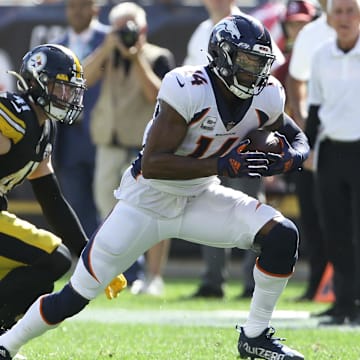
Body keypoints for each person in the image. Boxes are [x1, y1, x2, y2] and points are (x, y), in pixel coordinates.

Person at [0, 14, 309, 360]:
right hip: (145, 200)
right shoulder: (188, 86)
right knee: (76, 295)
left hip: (200, 194)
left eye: (260, 63)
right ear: (222, 56)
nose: (254, 72)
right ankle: (6, 345)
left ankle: (255, 337)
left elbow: (294, 135)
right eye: (247, 61)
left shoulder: (267, 94)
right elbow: (154, 164)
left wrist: (292, 158)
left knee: (282, 234)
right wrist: (222, 164)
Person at [0, 43, 126, 338]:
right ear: (35, 82)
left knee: (42, 276)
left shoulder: (43, 130)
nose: (67, 97)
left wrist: (89, 255)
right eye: (60, 88)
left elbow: (52, 199)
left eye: (71, 90)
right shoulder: (15, 115)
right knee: (53, 257)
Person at [183, 0, 283, 299]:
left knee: (251, 205)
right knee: (210, 205)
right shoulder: (202, 30)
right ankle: (213, 280)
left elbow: (269, 79)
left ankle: (254, 281)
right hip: (210, 133)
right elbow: (191, 80)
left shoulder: (253, 28)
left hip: (246, 133)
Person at [84, 2, 175, 293]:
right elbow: (81, 81)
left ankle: (154, 276)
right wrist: (106, 48)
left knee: (153, 212)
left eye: (129, 29)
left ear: (143, 29)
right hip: (109, 143)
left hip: (145, 148)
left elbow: (158, 96)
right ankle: (114, 275)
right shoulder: (106, 55)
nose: (124, 35)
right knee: (107, 212)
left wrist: (136, 58)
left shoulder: (158, 56)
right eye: (119, 29)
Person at [305, 0, 360, 325]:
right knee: (335, 230)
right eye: (337, 11)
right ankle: (343, 303)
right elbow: (314, 110)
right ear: (328, 17)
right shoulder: (320, 56)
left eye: (350, 11)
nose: (344, 18)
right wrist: (304, 150)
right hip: (331, 153)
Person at [287, 0, 335, 302]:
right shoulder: (312, 34)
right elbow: (296, 78)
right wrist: (304, 124)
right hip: (318, 129)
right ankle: (320, 283)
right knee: (316, 214)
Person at [53, 0, 108, 238]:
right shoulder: (57, 47)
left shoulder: (111, 40)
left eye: (83, 5)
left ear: (95, 8)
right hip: (69, 138)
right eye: (72, 6)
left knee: (111, 207)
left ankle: (127, 270)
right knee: (77, 208)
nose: (77, 11)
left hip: (104, 134)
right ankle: (88, 266)